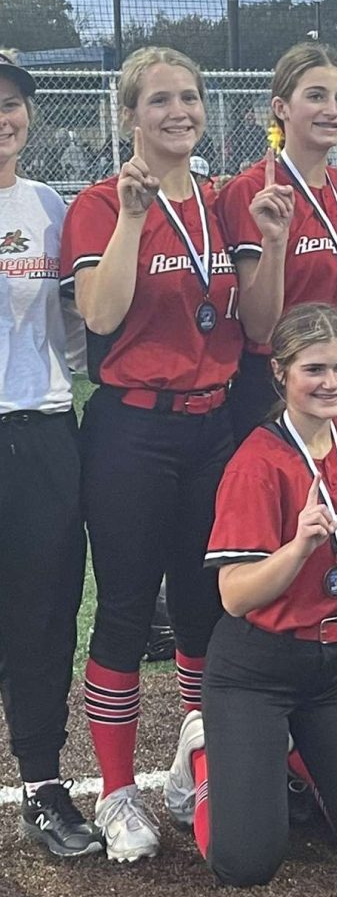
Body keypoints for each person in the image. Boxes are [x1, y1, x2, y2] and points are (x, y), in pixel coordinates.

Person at [59, 46, 288, 861]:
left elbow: (259, 326)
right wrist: (131, 218)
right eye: (159, 100)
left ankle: (194, 763)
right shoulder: (99, 203)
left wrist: (273, 243)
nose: (179, 111)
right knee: (126, 607)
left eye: (189, 97)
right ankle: (118, 790)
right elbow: (100, 316)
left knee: (203, 607)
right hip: (132, 429)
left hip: (212, 427)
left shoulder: (224, 203)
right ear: (129, 115)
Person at [164, 303, 337, 886]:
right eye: (313, 369)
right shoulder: (257, 463)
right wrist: (297, 548)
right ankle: (202, 751)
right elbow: (234, 596)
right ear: (280, 373)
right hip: (258, 668)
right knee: (246, 865)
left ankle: (296, 760)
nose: (332, 382)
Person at [0, 50, 102, 857]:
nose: (3, 117)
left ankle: (42, 786)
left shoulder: (48, 206)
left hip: (39, 432)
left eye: (11, 103)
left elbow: (72, 327)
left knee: (41, 617)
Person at [219, 42, 337, 437]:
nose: (332, 110)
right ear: (281, 107)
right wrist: (275, 243)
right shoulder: (252, 190)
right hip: (282, 384)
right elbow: (258, 326)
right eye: (316, 96)